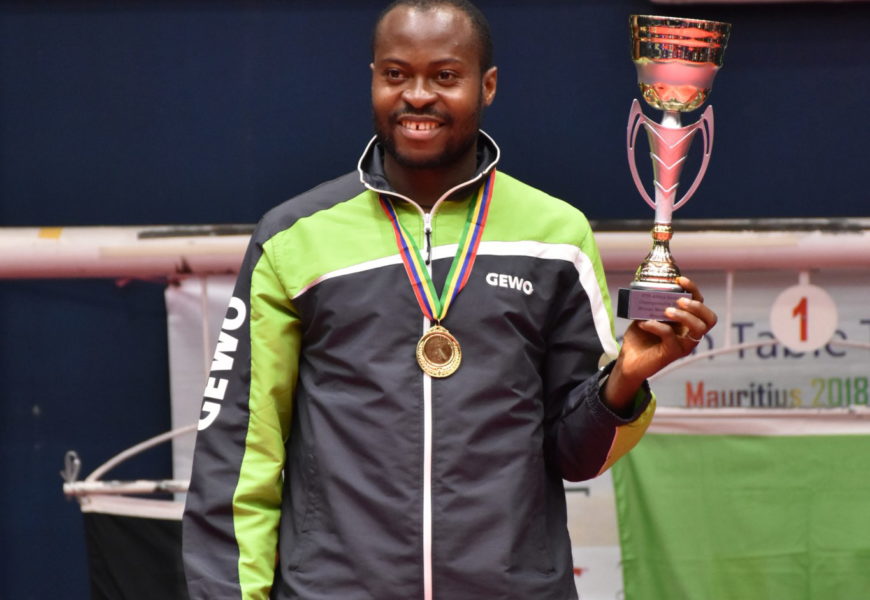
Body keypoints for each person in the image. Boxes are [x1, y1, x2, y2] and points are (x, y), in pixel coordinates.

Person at [181, 1, 718, 599]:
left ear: (486, 85)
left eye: (444, 76)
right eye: (395, 74)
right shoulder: (293, 239)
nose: (417, 96)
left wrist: (624, 383)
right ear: (373, 79)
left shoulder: (555, 236)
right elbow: (237, 454)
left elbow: (576, 456)